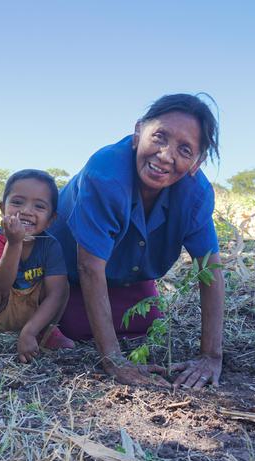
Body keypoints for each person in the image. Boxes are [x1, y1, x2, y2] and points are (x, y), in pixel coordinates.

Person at [48, 93, 225, 389]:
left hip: (126, 275)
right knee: (74, 326)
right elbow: (89, 268)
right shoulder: (105, 174)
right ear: (137, 132)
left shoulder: (196, 194)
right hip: (63, 273)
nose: (166, 156)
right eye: (159, 137)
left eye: (184, 149)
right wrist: (114, 360)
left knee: (146, 323)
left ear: (197, 162)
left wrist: (211, 355)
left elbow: (211, 273)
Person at [0, 169, 75, 362]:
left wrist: (28, 332)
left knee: (62, 287)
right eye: (17, 202)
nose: (26, 211)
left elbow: (56, 295)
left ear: (51, 219)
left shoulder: (51, 246)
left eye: (39, 206)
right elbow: (0, 283)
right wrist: (14, 243)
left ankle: (45, 332)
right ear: (3, 208)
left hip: (32, 310)